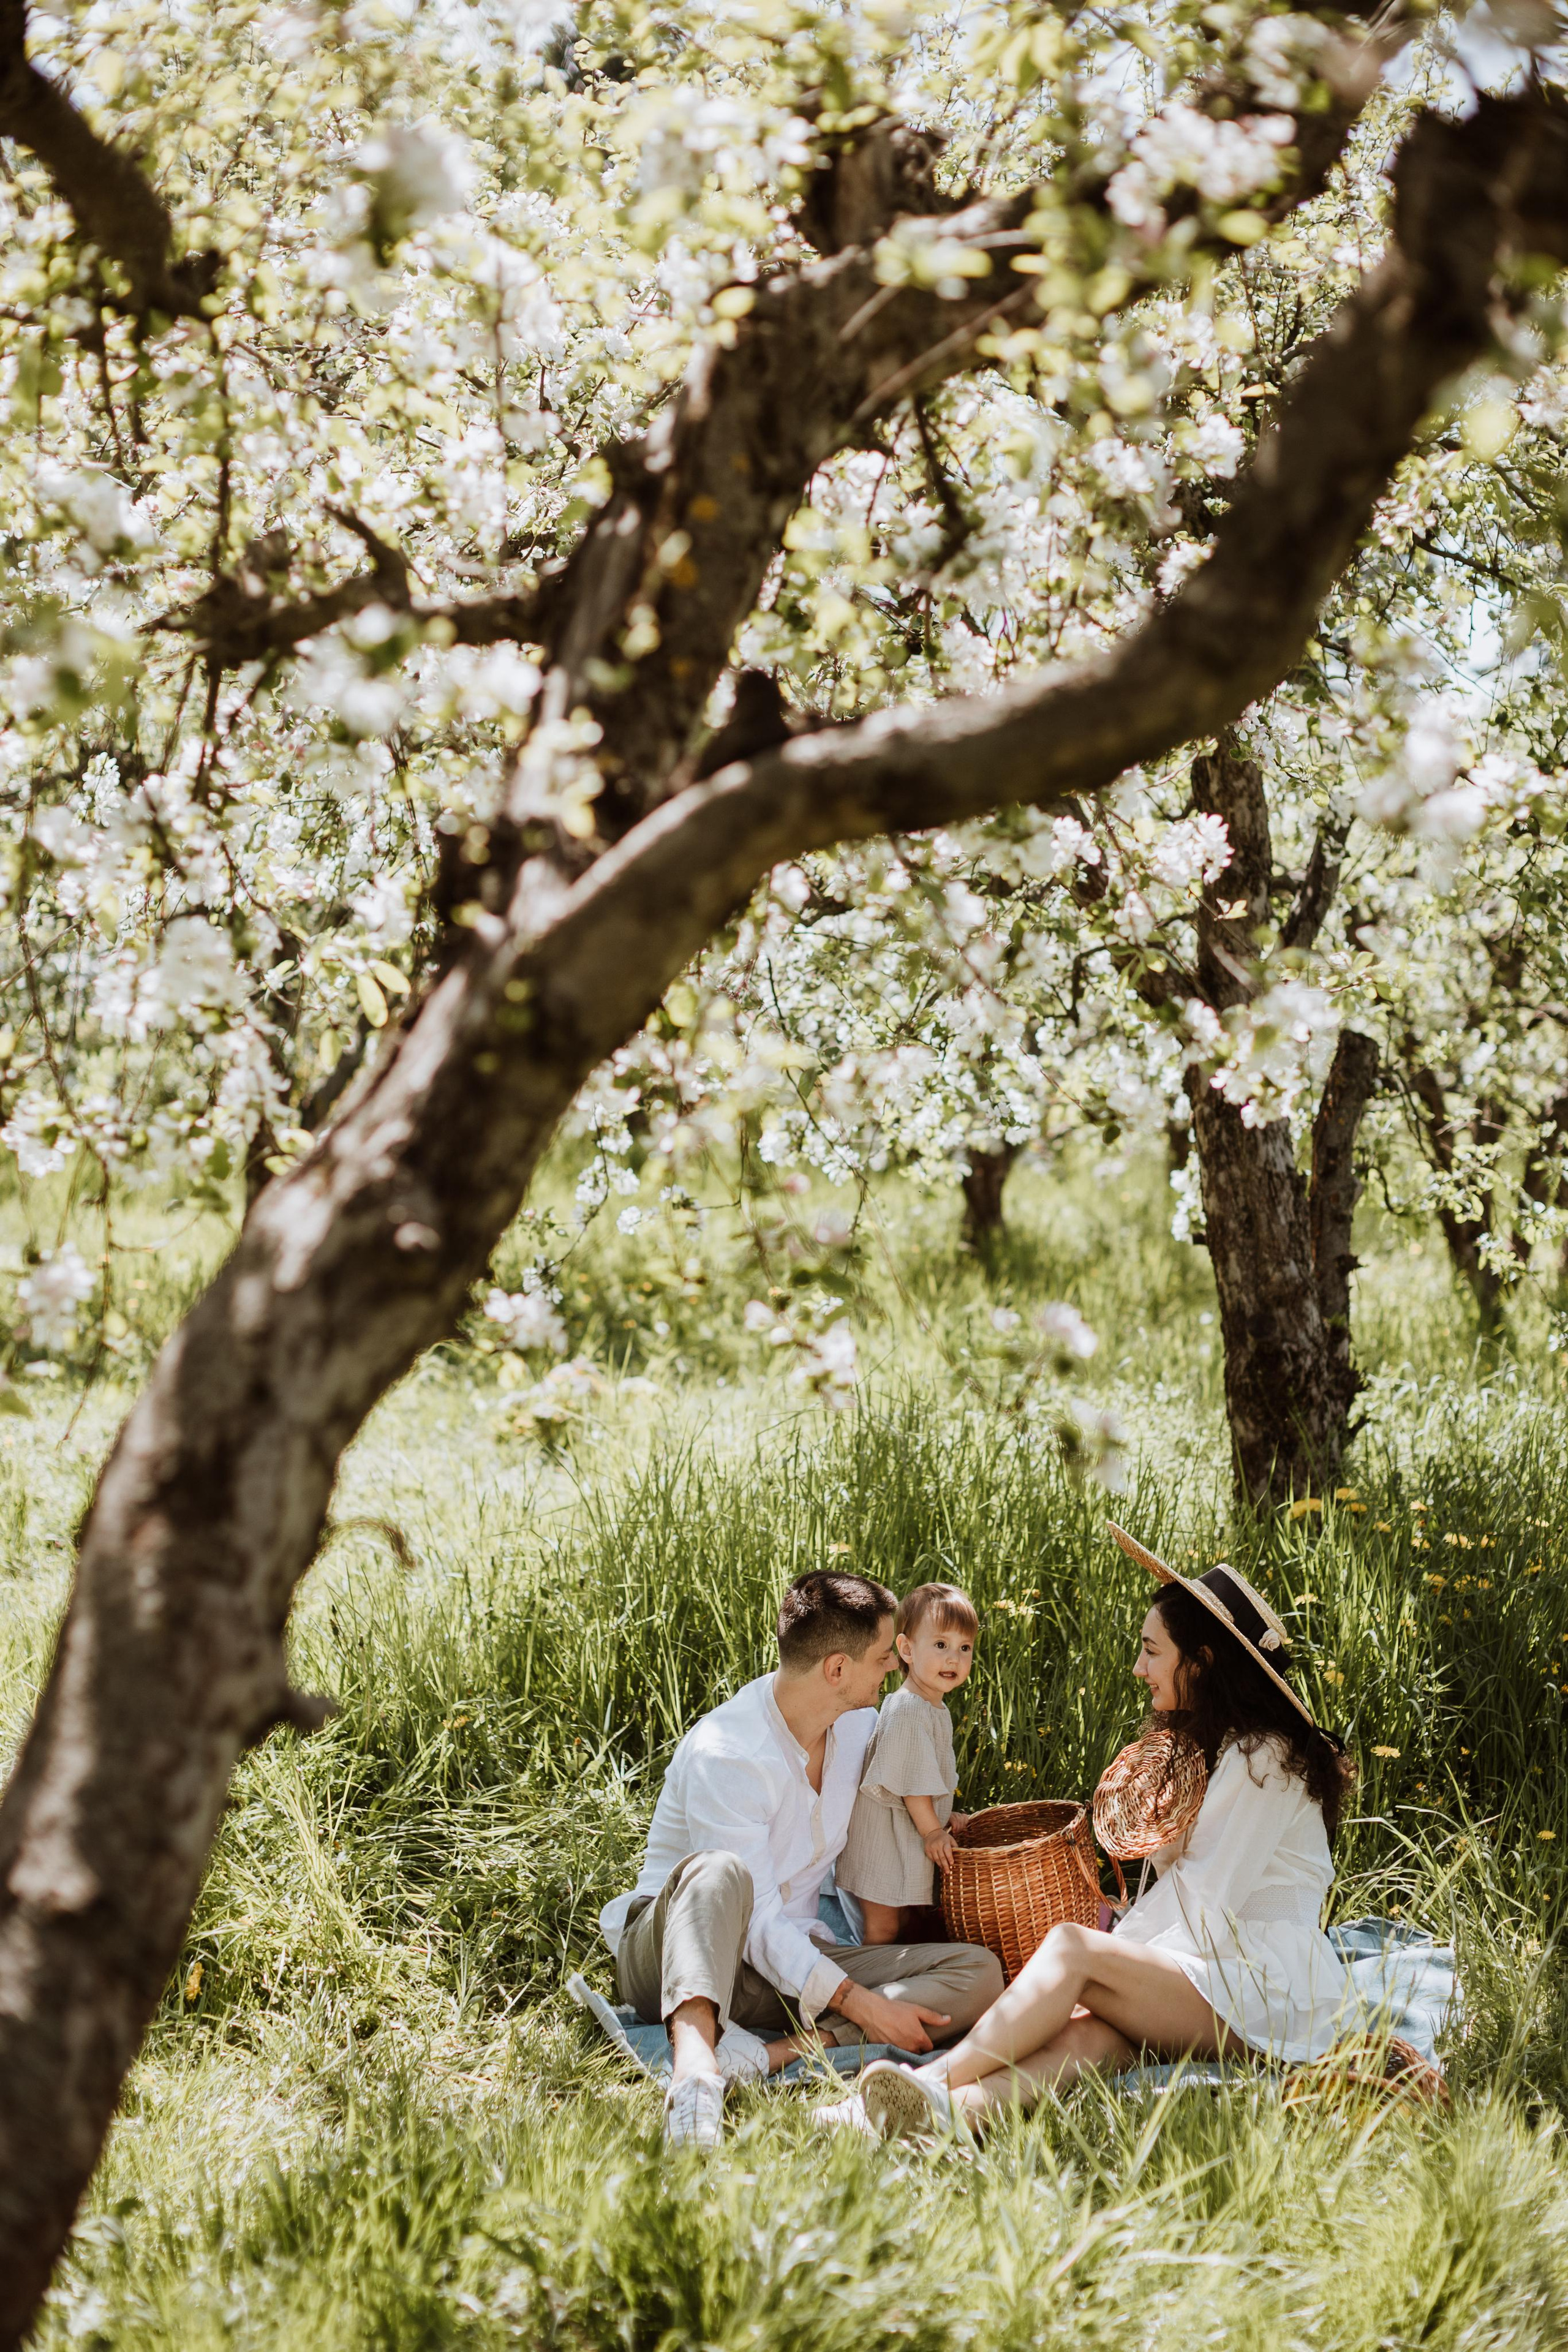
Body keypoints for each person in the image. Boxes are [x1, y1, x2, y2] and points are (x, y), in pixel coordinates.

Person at [832, 1526, 1357, 2138]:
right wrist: (1106, 1976)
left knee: (1072, 1948)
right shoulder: (1210, 1748)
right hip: (1216, 1978)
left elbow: (1205, 1904)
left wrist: (1106, 1962)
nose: (1138, 1668)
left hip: (1269, 1993)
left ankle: (930, 2079)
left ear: (1202, 1662)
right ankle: (932, 2114)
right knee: (1086, 2039)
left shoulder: (1264, 1758)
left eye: (1152, 1651)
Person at [598, 1569, 1005, 2147]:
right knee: (719, 1870)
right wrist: (860, 2004)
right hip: (677, 1954)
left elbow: (898, 1808)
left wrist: (952, 1828)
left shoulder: (861, 1727)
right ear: (837, 1669)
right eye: (883, 1657)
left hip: (789, 1962)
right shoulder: (729, 1752)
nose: (894, 1666)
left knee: (980, 1973)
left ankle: (775, 2054)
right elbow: (757, 1922)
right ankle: (695, 2076)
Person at [838, 1581, 976, 1943]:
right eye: (941, 1645)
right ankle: (866, 1975)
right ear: (907, 1650)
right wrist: (932, 1832)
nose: (954, 1659)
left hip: (901, 1834)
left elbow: (921, 1774)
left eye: (964, 1648)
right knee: (883, 1925)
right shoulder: (909, 1707)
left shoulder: (933, 1706)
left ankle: (895, 1967)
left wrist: (942, 1816)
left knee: (904, 1921)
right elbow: (912, 1785)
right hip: (882, 1844)